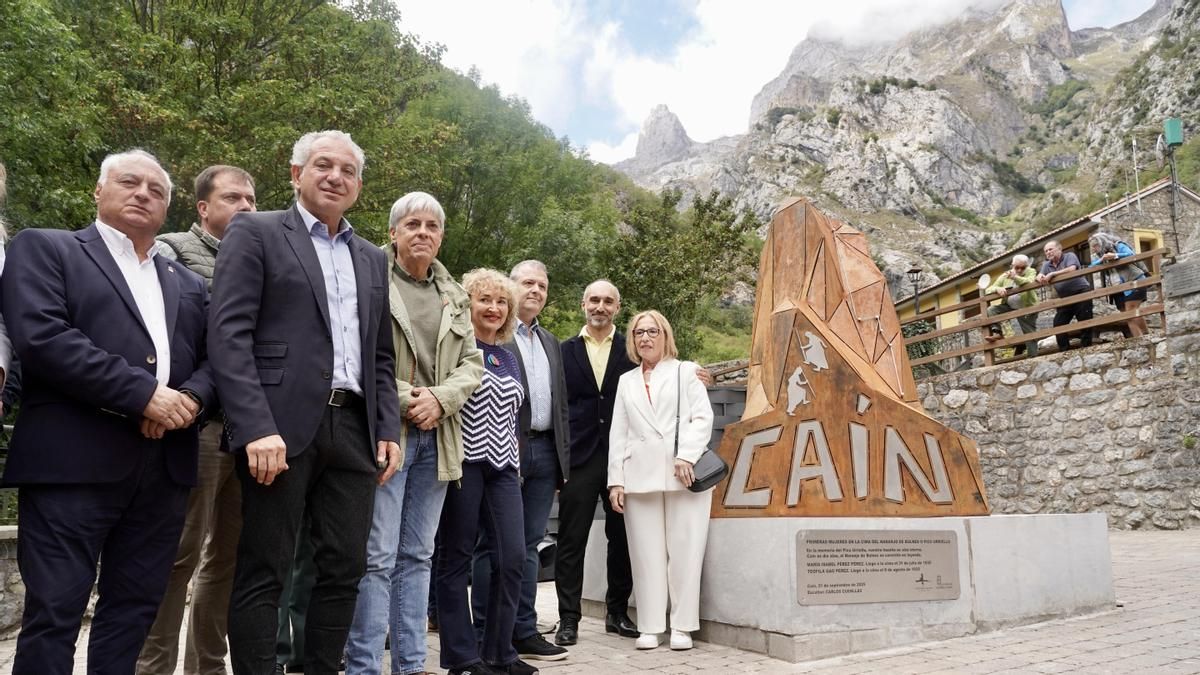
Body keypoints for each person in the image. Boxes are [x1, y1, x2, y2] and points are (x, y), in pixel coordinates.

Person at [2, 149, 215, 674]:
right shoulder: (47, 248)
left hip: (163, 468)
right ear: (98, 192)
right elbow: (43, 337)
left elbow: (219, 359)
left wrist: (186, 400)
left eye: (157, 189)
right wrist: (144, 394)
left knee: (133, 611)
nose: (143, 193)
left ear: (168, 208)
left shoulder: (186, 282)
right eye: (129, 182)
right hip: (71, 463)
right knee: (54, 611)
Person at [210, 130, 403, 675]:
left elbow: (380, 356)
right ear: (296, 174)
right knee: (264, 567)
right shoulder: (256, 232)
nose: (335, 176)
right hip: (279, 428)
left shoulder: (371, 258)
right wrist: (253, 426)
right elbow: (228, 335)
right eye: (323, 165)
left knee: (345, 567)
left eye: (347, 170)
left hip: (354, 430)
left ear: (359, 186)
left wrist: (386, 428)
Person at [345, 191, 483, 675]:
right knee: (378, 557)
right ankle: (363, 665)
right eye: (413, 224)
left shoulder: (454, 294)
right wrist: (410, 399)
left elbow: (472, 363)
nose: (422, 232)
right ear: (394, 232)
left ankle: (409, 665)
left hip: (441, 438)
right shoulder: (368, 277)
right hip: (388, 435)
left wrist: (441, 400)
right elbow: (356, 354)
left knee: (419, 556)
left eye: (431, 226)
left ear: (441, 236)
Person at [138, 164, 257, 675]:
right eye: (233, 198)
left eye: (252, 199)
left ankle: (207, 667)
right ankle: (153, 667)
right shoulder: (170, 252)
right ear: (203, 208)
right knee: (178, 556)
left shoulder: (261, 259)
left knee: (227, 561)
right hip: (197, 425)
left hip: (250, 430)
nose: (247, 206)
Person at [436, 268, 537, 675]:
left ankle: (499, 652)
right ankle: (462, 657)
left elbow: (515, 416)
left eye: (501, 302)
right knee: (455, 558)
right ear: (468, 304)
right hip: (463, 465)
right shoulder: (456, 349)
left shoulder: (509, 357)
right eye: (485, 300)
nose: (493, 308)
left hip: (504, 468)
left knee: (513, 558)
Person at [471, 260, 570, 663]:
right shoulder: (496, 336)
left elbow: (560, 405)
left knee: (529, 545)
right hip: (502, 451)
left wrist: (564, 461)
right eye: (528, 283)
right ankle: (484, 632)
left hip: (546, 453)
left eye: (542, 286)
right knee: (486, 544)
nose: (536, 290)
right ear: (511, 288)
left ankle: (524, 630)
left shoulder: (550, 341)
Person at [607, 310, 714, 651]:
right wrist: (616, 481)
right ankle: (651, 626)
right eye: (639, 332)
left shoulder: (686, 371)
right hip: (639, 476)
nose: (645, 338)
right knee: (645, 555)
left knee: (686, 550)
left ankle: (682, 626)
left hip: (684, 473)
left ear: (665, 335)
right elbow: (618, 433)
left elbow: (702, 417)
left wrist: (687, 456)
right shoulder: (626, 380)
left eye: (652, 331)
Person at [555, 280, 638, 645]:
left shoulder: (633, 349)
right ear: (582, 304)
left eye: (608, 301)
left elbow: (666, 370)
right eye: (594, 300)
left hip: (624, 458)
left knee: (621, 537)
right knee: (571, 539)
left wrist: (695, 373)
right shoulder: (562, 350)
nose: (600, 306)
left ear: (617, 308)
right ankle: (568, 619)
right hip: (579, 456)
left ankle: (617, 612)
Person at [1036, 240, 1093, 351]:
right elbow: (1040, 275)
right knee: (1058, 323)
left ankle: (1086, 347)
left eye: (1050, 249)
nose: (1048, 252)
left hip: (1081, 291)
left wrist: (1053, 274)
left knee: (1084, 319)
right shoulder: (1047, 264)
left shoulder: (1069, 256)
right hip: (1064, 297)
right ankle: (1064, 350)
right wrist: (1040, 277)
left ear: (1059, 249)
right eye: (1046, 251)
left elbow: (1072, 269)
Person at [1089, 232, 1149, 338]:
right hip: (1117, 288)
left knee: (1131, 311)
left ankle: (1146, 336)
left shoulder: (1118, 245)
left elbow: (1131, 254)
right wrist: (1101, 260)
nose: (1094, 249)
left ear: (1102, 242)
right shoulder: (1098, 255)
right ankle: (1139, 339)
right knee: (1127, 315)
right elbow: (1091, 266)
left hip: (1134, 281)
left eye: (1096, 245)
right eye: (1092, 247)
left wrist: (1115, 255)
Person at [983, 254, 1040, 357]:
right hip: (1009, 306)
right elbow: (988, 289)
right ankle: (998, 333)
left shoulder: (1031, 271)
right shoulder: (1005, 276)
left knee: (1029, 333)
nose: (1019, 270)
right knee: (992, 310)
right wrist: (997, 289)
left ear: (1026, 266)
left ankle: (1033, 357)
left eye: (1022, 268)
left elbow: (1029, 282)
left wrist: (1016, 277)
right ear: (1012, 266)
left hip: (1027, 306)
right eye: (1016, 267)